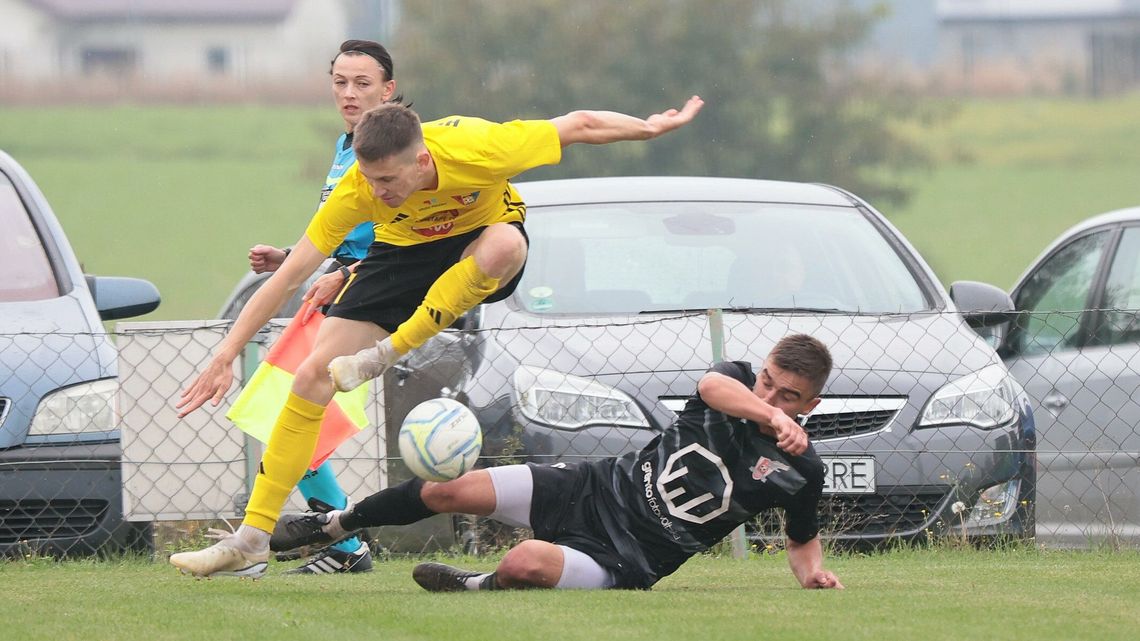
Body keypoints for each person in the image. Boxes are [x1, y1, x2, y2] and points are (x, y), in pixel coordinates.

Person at [170, 94, 705, 579]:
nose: (377, 191)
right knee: (312, 376)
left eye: (388, 181)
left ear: (422, 161)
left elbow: (580, 122)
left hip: (479, 244)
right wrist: (225, 353)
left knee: (505, 248)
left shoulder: (479, 148)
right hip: (402, 255)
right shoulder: (358, 192)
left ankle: (387, 353)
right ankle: (251, 538)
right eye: (369, 179)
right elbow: (287, 275)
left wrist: (650, 129)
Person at [271, 333, 844, 591]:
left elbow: (801, 540)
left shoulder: (803, 471)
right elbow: (710, 385)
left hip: (634, 556)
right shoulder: (738, 381)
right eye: (768, 381)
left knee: (526, 561)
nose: (769, 397)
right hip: (596, 487)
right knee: (450, 489)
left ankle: (473, 585)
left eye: (787, 397)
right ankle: (333, 524)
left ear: (811, 404)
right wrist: (770, 415)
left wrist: (811, 573)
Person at [237, 39, 404, 576]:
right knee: (288, 417)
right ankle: (340, 541)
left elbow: (409, 241)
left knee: (288, 414)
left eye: (362, 84)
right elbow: (342, 232)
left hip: (377, 299)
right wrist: (291, 259)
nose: (350, 94)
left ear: (389, 89)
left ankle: (337, 542)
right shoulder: (344, 145)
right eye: (340, 83)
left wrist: (347, 275)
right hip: (339, 293)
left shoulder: (402, 149)